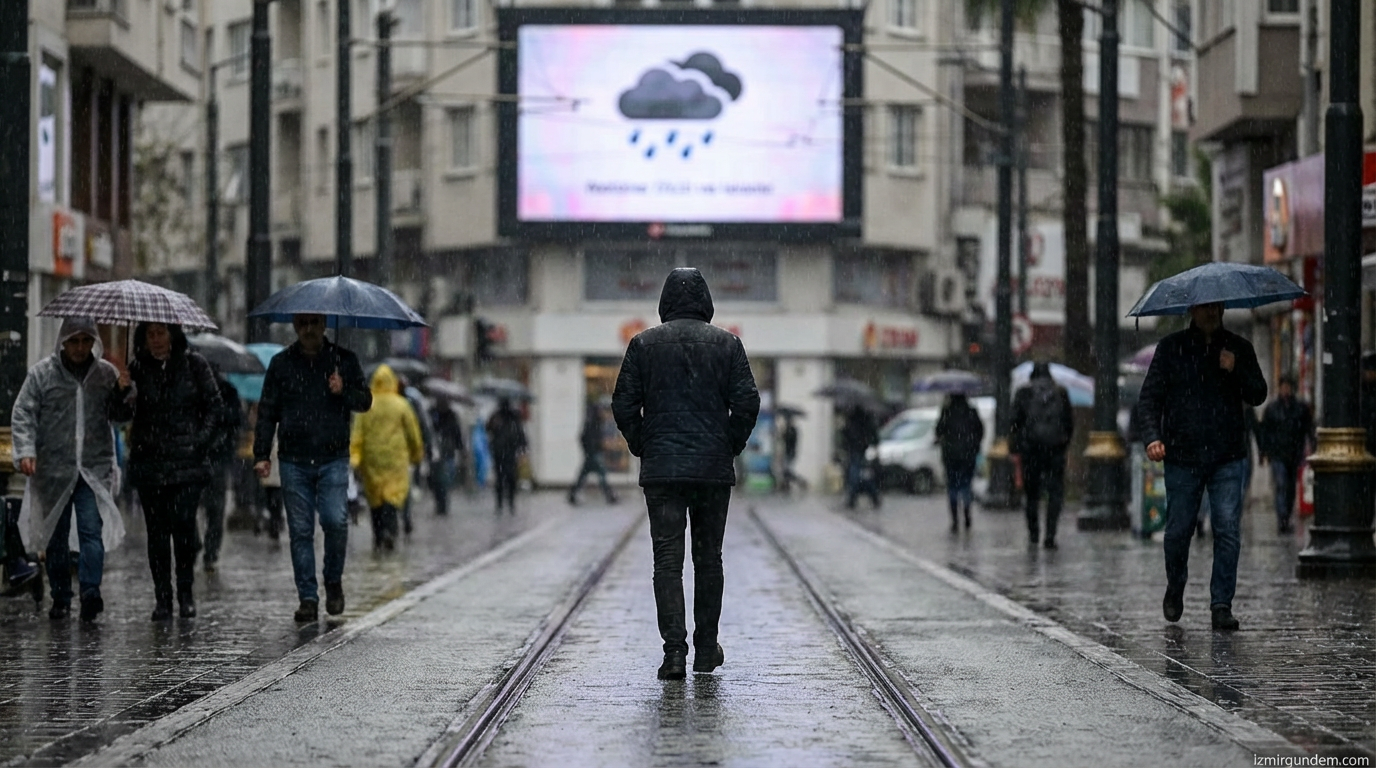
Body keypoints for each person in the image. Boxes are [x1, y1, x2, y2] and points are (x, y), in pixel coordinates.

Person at [612, 267, 760, 680]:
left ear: (665, 302)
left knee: (667, 562)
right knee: (708, 560)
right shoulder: (728, 345)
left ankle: (674, 652)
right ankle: (706, 648)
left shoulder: (643, 345)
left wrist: (645, 444)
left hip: (663, 472)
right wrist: (728, 443)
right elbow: (748, 402)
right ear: (706, 302)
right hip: (712, 470)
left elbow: (623, 403)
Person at [1136, 301, 1267, 631]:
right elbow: (1150, 398)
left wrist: (1236, 368)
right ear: (1192, 310)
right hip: (1183, 457)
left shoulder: (1239, 347)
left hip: (1227, 456)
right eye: (1204, 307)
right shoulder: (1171, 349)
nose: (1211, 313)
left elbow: (1259, 394)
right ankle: (1175, 585)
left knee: (1227, 529)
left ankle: (1221, 603)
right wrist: (1152, 436)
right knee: (1178, 531)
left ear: (1223, 309)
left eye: (1215, 307)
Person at [12, 317, 134, 622]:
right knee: (56, 535)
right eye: (74, 341)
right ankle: (61, 597)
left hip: (93, 468)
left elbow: (121, 417)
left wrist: (122, 392)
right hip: (53, 469)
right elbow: (24, 412)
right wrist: (26, 450)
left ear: (93, 342)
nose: (80, 348)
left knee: (91, 531)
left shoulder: (106, 374)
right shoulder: (42, 375)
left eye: (85, 341)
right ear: (63, 342)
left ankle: (91, 591)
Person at [254, 313, 372, 622]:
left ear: (324, 326)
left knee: (335, 521)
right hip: (294, 459)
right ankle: (307, 597)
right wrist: (262, 453)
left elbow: (364, 401)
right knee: (300, 531)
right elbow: (268, 410)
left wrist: (343, 390)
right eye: (302, 323)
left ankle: (333, 581)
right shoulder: (281, 364)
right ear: (295, 326)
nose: (308, 330)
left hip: (333, 457)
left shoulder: (344, 360)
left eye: (314, 323)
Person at [127, 322, 224, 620]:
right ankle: (163, 598)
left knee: (183, 527)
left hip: (187, 463)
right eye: (150, 334)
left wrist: (199, 441)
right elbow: (119, 414)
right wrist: (121, 392)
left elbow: (215, 407)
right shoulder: (137, 370)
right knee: (157, 533)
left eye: (161, 333)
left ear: (173, 334)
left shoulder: (195, 365)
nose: (155, 340)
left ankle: (185, 592)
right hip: (150, 463)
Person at [350, 365, 424, 551]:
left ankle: (378, 534)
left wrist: (355, 458)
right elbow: (413, 433)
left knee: (375, 498)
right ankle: (390, 530)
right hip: (395, 460)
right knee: (392, 496)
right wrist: (417, 454)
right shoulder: (402, 405)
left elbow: (357, 435)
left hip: (372, 461)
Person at [1010, 362, 1074, 549]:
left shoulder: (1024, 393)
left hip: (1031, 451)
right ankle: (1050, 534)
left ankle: (1033, 533)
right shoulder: (1060, 393)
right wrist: (1062, 444)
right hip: (1055, 450)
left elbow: (1014, 422)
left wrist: (1016, 448)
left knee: (1031, 494)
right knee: (1055, 492)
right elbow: (1069, 423)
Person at [199, 367, 243, 572]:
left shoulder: (228, 391)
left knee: (214, 507)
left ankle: (211, 549)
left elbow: (236, 421)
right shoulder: (193, 389)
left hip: (217, 457)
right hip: (196, 455)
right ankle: (204, 547)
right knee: (193, 507)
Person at [1259, 375, 1313, 535]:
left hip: (1294, 453)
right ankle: (1282, 518)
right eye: (1283, 387)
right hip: (1278, 454)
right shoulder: (1272, 409)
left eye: (1288, 387)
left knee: (1290, 488)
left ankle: (1286, 515)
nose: (1285, 390)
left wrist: (1309, 445)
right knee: (1281, 485)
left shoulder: (1300, 408)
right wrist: (1264, 451)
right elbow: (1265, 431)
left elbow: (1307, 428)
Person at [936, 392, 985, 533]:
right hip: (968, 455)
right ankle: (967, 517)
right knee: (966, 485)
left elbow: (938, 431)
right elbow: (980, 431)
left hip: (950, 456)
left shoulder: (947, 412)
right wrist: (973, 445)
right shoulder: (971, 412)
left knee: (952, 486)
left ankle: (955, 521)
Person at [568, 402, 617, 505]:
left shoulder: (593, 423)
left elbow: (583, 438)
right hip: (594, 454)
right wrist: (597, 446)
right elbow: (590, 439)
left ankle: (573, 494)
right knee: (601, 475)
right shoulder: (594, 425)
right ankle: (610, 496)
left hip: (591, 454)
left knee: (583, 475)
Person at [485, 398, 527, 514]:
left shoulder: (513, 417)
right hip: (500, 452)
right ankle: (501, 504)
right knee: (502, 479)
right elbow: (488, 428)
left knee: (509, 478)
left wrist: (522, 447)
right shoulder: (496, 417)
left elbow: (519, 433)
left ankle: (509, 503)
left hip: (508, 452)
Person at [840, 403, 881, 510]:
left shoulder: (853, 421)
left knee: (855, 476)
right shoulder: (866, 420)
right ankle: (873, 497)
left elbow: (848, 437)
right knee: (863, 476)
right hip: (862, 451)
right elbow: (874, 437)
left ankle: (853, 499)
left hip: (857, 452)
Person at [428, 402, 465, 516]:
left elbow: (456, 432)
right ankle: (439, 503)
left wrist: (460, 447)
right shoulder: (432, 413)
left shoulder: (451, 415)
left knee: (444, 479)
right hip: (435, 451)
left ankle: (443, 504)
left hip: (447, 452)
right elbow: (427, 429)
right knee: (435, 480)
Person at [777, 414, 808, 494]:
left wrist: (784, 432)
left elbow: (788, 439)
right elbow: (782, 439)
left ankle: (800, 482)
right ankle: (786, 486)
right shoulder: (789, 430)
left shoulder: (793, 430)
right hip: (788, 452)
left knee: (788, 471)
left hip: (790, 453)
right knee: (786, 471)